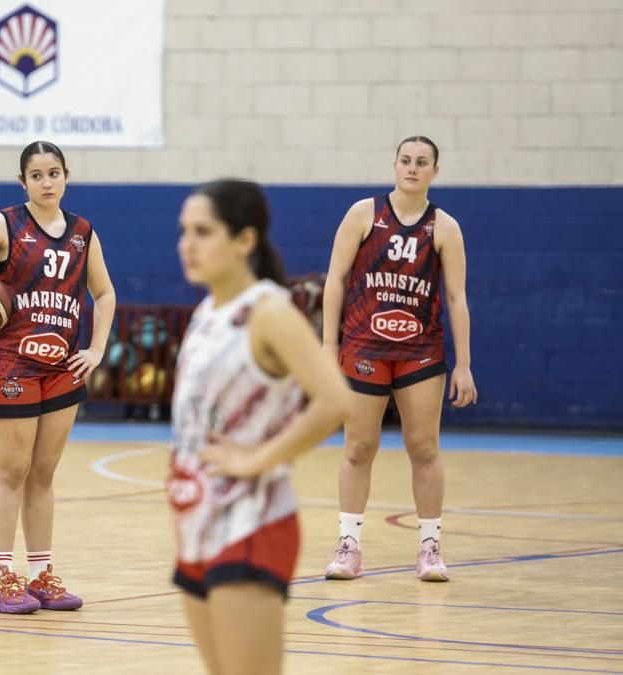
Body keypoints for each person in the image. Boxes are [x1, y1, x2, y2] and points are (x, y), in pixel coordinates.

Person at [168, 179, 349, 674]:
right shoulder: (206, 312)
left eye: (203, 231)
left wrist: (258, 458)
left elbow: (335, 399)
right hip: (197, 523)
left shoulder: (269, 312)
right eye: (184, 230)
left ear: (244, 240)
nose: (187, 244)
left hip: (252, 520)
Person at [0, 141, 116, 613]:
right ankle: (1, 578)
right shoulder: (5, 224)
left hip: (61, 366)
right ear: (23, 182)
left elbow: (105, 293)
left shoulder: (83, 233)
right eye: (36, 175)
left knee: (43, 474)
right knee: (11, 472)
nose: (47, 182)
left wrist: (96, 349)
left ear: (67, 176)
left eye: (54, 173)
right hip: (9, 364)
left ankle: (41, 575)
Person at [321, 136, 477, 583]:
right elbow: (335, 279)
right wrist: (328, 346)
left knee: (424, 447)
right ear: (394, 165)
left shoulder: (444, 227)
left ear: (434, 171)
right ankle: (349, 546)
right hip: (364, 346)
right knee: (358, 447)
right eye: (406, 160)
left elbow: (456, 298)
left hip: (420, 351)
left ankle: (430, 547)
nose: (412, 168)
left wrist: (463, 364)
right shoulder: (363, 214)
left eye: (422, 162)